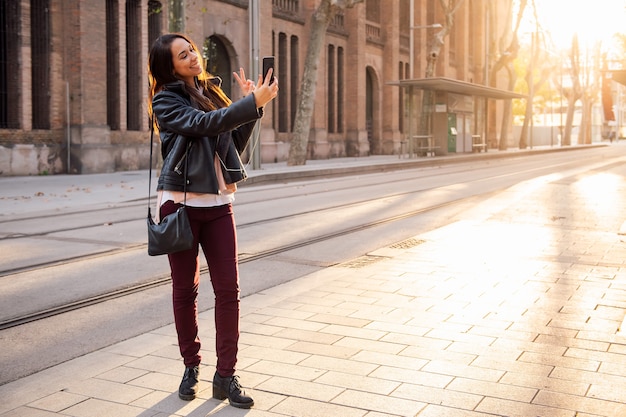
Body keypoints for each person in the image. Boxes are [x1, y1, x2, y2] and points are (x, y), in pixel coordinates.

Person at [147, 33, 278, 408]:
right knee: (185, 290)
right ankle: (191, 365)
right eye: (182, 55)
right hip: (181, 206)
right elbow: (204, 125)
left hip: (219, 204)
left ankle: (226, 375)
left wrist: (253, 109)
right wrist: (249, 102)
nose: (192, 57)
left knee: (228, 290)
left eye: (192, 50)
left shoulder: (210, 92)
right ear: (168, 66)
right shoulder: (165, 100)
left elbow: (231, 142)